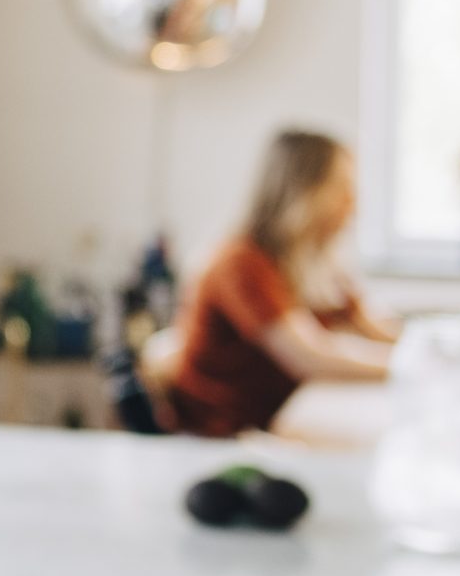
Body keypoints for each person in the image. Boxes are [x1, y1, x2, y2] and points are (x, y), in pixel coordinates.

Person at [167, 129, 399, 437]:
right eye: (342, 189)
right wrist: (416, 368)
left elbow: (372, 327)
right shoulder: (240, 263)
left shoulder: (313, 262)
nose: (353, 207)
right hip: (220, 436)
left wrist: (455, 350)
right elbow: (311, 356)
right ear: (304, 191)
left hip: (273, 423)